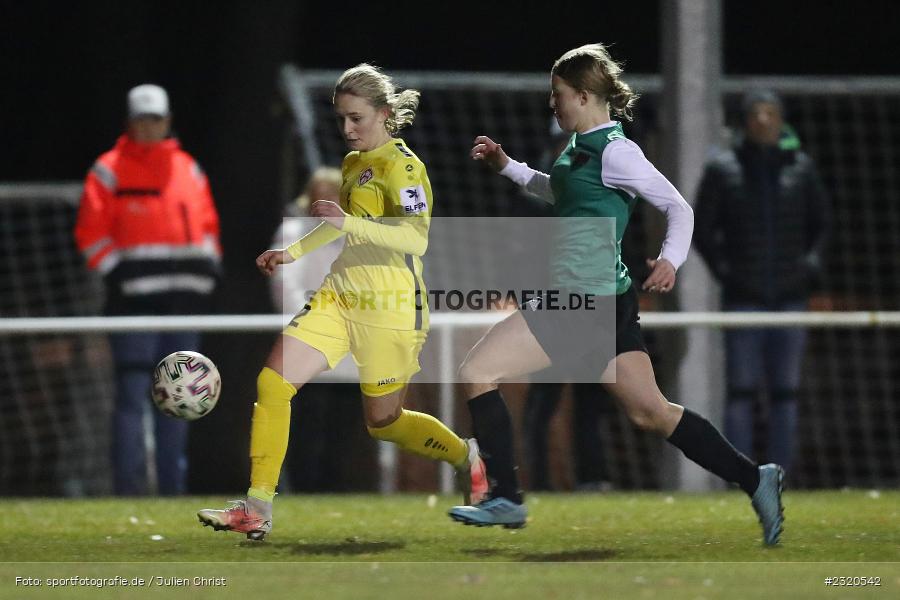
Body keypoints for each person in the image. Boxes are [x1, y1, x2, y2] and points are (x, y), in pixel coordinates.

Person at [447, 44, 785, 546]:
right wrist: (507, 166)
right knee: (651, 411)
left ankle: (505, 498)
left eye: (558, 95)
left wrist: (671, 259)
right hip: (608, 300)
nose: (553, 104)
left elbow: (679, 207)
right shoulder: (581, 146)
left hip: (581, 301)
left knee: (477, 371)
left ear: (584, 96)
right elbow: (561, 191)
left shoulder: (617, 151)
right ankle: (755, 476)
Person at [198, 64, 487, 540]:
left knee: (384, 422)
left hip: (392, 304)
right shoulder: (354, 164)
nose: (348, 129)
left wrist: (345, 224)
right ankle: (257, 507)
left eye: (356, 118)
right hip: (339, 294)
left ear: (385, 113)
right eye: (341, 120)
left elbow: (414, 240)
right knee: (273, 383)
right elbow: (339, 227)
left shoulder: (406, 168)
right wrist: (290, 253)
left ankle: (465, 456)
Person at [74, 84, 222, 495]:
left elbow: (208, 227)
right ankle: (128, 490)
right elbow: (90, 235)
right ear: (129, 122)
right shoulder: (109, 169)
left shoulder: (188, 168)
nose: (149, 126)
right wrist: (120, 276)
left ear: (168, 121)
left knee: (181, 400)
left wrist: (209, 270)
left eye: (155, 119)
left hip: (185, 304)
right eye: (142, 119)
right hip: (132, 305)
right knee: (131, 397)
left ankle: (172, 492)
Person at [694, 90, 830, 477]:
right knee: (741, 389)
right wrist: (725, 272)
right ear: (745, 121)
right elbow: (703, 228)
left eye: (771, 113)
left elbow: (822, 224)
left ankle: (780, 474)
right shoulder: (723, 169)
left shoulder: (801, 169)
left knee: (786, 392)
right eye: (757, 113)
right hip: (744, 297)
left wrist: (810, 264)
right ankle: (741, 474)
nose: (764, 120)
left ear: (782, 120)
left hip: (791, 296)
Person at [269, 167, 364, 491]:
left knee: (344, 425)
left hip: (351, 349)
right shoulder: (294, 231)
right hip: (307, 344)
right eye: (318, 194)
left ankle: (334, 490)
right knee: (307, 422)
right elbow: (285, 283)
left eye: (332, 194)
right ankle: (301, 489)